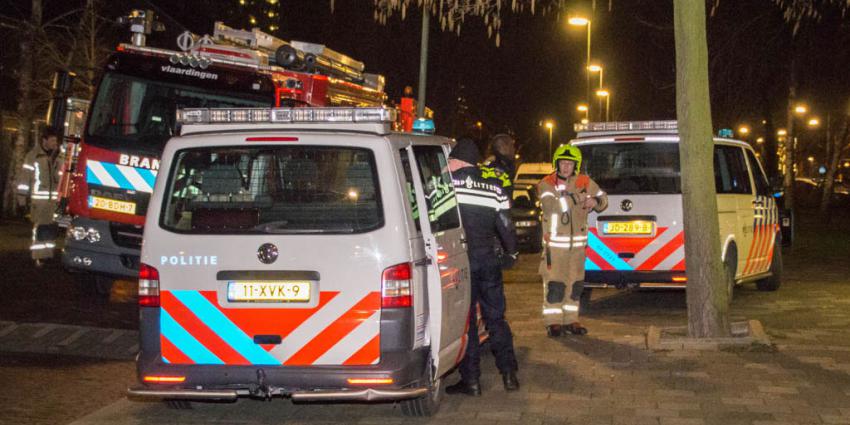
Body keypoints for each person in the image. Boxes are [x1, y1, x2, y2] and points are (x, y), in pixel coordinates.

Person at [445, 138, 520, 396]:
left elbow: (433, 221)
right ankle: (509, 375)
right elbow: (506, 226)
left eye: (450, 161)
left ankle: (472, 380)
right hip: (488, 260)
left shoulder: (447, 188)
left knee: (468, 324)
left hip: (462, 264)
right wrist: (512, 254)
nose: (447, 166)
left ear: (459, 161)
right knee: (496, 319)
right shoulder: (494, 188)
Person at [537, 145, 608, 337]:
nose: (566, 167)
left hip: (578, 248)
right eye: (563, 163)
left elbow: (603, 198)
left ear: (575, 165)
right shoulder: (546, 184)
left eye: (570, 163)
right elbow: (552, 206)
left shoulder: (584, 181)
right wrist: (578, 197)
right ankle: (553, 322)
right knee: (555, 286)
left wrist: (596, 202)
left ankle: (571, 320)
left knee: (575, 285)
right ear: (556, 164)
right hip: (555, 248)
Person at [16, 128, 63, 264]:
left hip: (54, 201)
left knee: (51, 228)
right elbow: (24, 179)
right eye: (53, 140)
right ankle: (39, 256)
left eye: (56, 140)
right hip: (40, 201)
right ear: (44, 140)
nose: (55, 143)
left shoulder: (58, 156)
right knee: (41, 228)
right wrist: (22, 200)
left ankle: (47, 255)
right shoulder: (33, 156)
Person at [481, 133, 516, 199]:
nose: (513, 149)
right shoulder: (497, 166)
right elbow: (499, 192)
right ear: (504, 146)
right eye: (511, 145)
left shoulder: (502, 163)